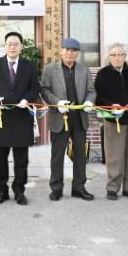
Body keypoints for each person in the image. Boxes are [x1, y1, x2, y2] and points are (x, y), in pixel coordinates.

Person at [0, 31, 40, 206]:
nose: (12, 47)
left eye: (16, 44)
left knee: (21, 159)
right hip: (1, 118)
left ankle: (19, 191)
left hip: (22, 118)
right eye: (9, 44)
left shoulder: (30, 66)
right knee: (0, 159)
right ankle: (1, 191)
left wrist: (27, 99)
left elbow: (35, 88)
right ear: (5, 46)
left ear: (21, 47)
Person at [40, 37, 96, 201]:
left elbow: (91, 90)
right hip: (59, 117)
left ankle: (79, 187)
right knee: (57, 155)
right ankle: (56, 188)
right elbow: (44, 90)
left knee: (80, 155)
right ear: (61, 51)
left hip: (79, 118)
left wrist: (89, 101)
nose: (70, 53)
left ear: (77, 53)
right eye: (67, 50)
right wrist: (57, 102)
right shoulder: (50, 69)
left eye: (73, 51)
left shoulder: (83, 70)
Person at [94, 43, 128, 201]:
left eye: (120, 54)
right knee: (114, 156)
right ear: (109, 57)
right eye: (113, 55)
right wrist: (111, 106)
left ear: (125, 56)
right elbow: (98, 97)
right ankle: (112, 188)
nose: (117, 58)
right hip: (114, 120)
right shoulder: (103, 74)